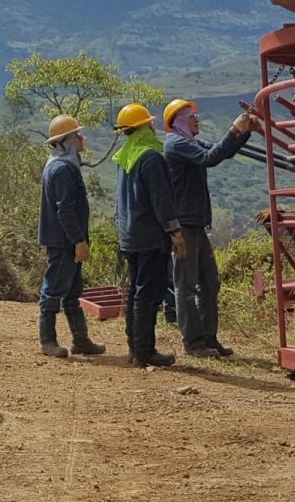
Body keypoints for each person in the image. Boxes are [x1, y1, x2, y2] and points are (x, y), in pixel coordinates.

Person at [162, 97, 256, 357]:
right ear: (179, 121)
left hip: (195, 223)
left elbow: (219, 150)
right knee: (187, 285)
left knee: (209, 282)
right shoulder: (177, 144)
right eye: (191, 116)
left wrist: (242, 133)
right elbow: (210, 158)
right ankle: (193, 343)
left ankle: (208, 338)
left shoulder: (187, 142)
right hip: (185, 224)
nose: (197, 119)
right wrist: (235, 130)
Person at [112, 102, 184, 369]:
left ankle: (135, 347)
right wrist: (174, 231)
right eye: (149, 122)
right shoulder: (151, 156)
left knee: (136, 291)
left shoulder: (124, 156)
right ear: (144, 126)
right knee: (148, 293)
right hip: (150, 236)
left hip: (130, 235)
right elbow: (161, 199)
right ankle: (145, 350)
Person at [35, 115, 106, 359]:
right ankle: (48, 341)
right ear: (66, 141)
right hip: (64, 241)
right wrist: (78, 240)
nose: (81, 138)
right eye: (76, 135)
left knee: (73, 291)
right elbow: (64, 209)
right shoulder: (63, 169)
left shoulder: (56, 164)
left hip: (64, 239)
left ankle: (81, 339)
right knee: (54, 290)